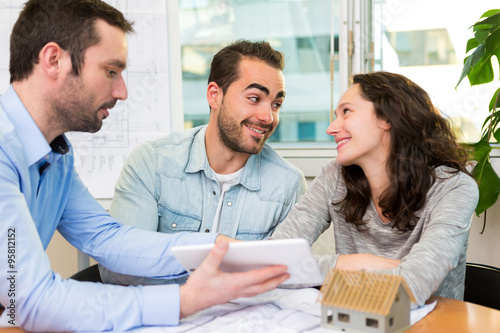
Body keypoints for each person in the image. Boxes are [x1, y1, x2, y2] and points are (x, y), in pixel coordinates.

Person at [0, 1, 290, 331]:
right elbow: (33, 300)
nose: (122, 91)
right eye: (111, 71)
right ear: (54, 61)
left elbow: (105, 239)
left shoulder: (57, 158)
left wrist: (214, 249)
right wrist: (183, 301)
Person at [99, 40, 307, 285]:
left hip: (242, 321)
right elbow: (121, 270)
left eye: (276, 104)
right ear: (214, 95)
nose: (267, 117)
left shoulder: (288, 185)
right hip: (163, 319)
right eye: (254, 98)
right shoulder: (152, 163)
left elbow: (286, 280)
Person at [271, 71, 479, 306]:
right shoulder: (334, 177)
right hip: (352, 321)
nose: (331, 128)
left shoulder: (454, 188)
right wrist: (350, 264)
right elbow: (270, 263)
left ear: (388, 118)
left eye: (346, 112)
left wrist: (313, 272)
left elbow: (411, 287)